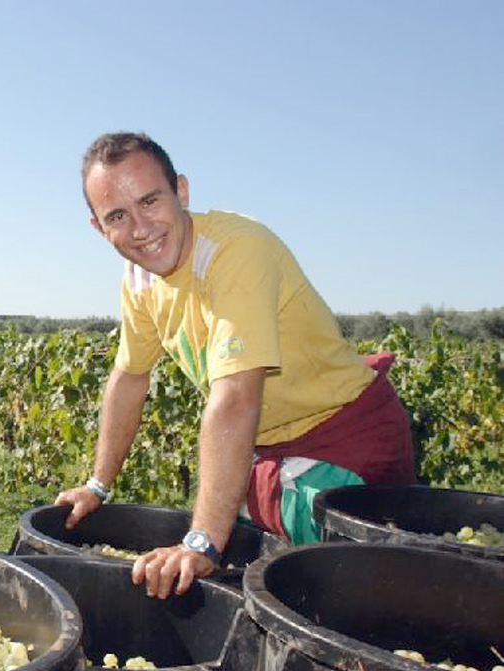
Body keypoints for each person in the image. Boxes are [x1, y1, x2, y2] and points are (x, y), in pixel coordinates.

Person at [57, 132, 415, 600]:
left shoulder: (235, 251)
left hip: (346, 445)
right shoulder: (141, 278)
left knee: (322, 595)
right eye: (118, 216)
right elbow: (129, 378)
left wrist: (202, 539)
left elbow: (235, 396)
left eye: (150, 201)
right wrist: (97, 486)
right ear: (99, 228)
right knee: (253, 581)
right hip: (271, 455)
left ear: (181, 191)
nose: (141, 227)